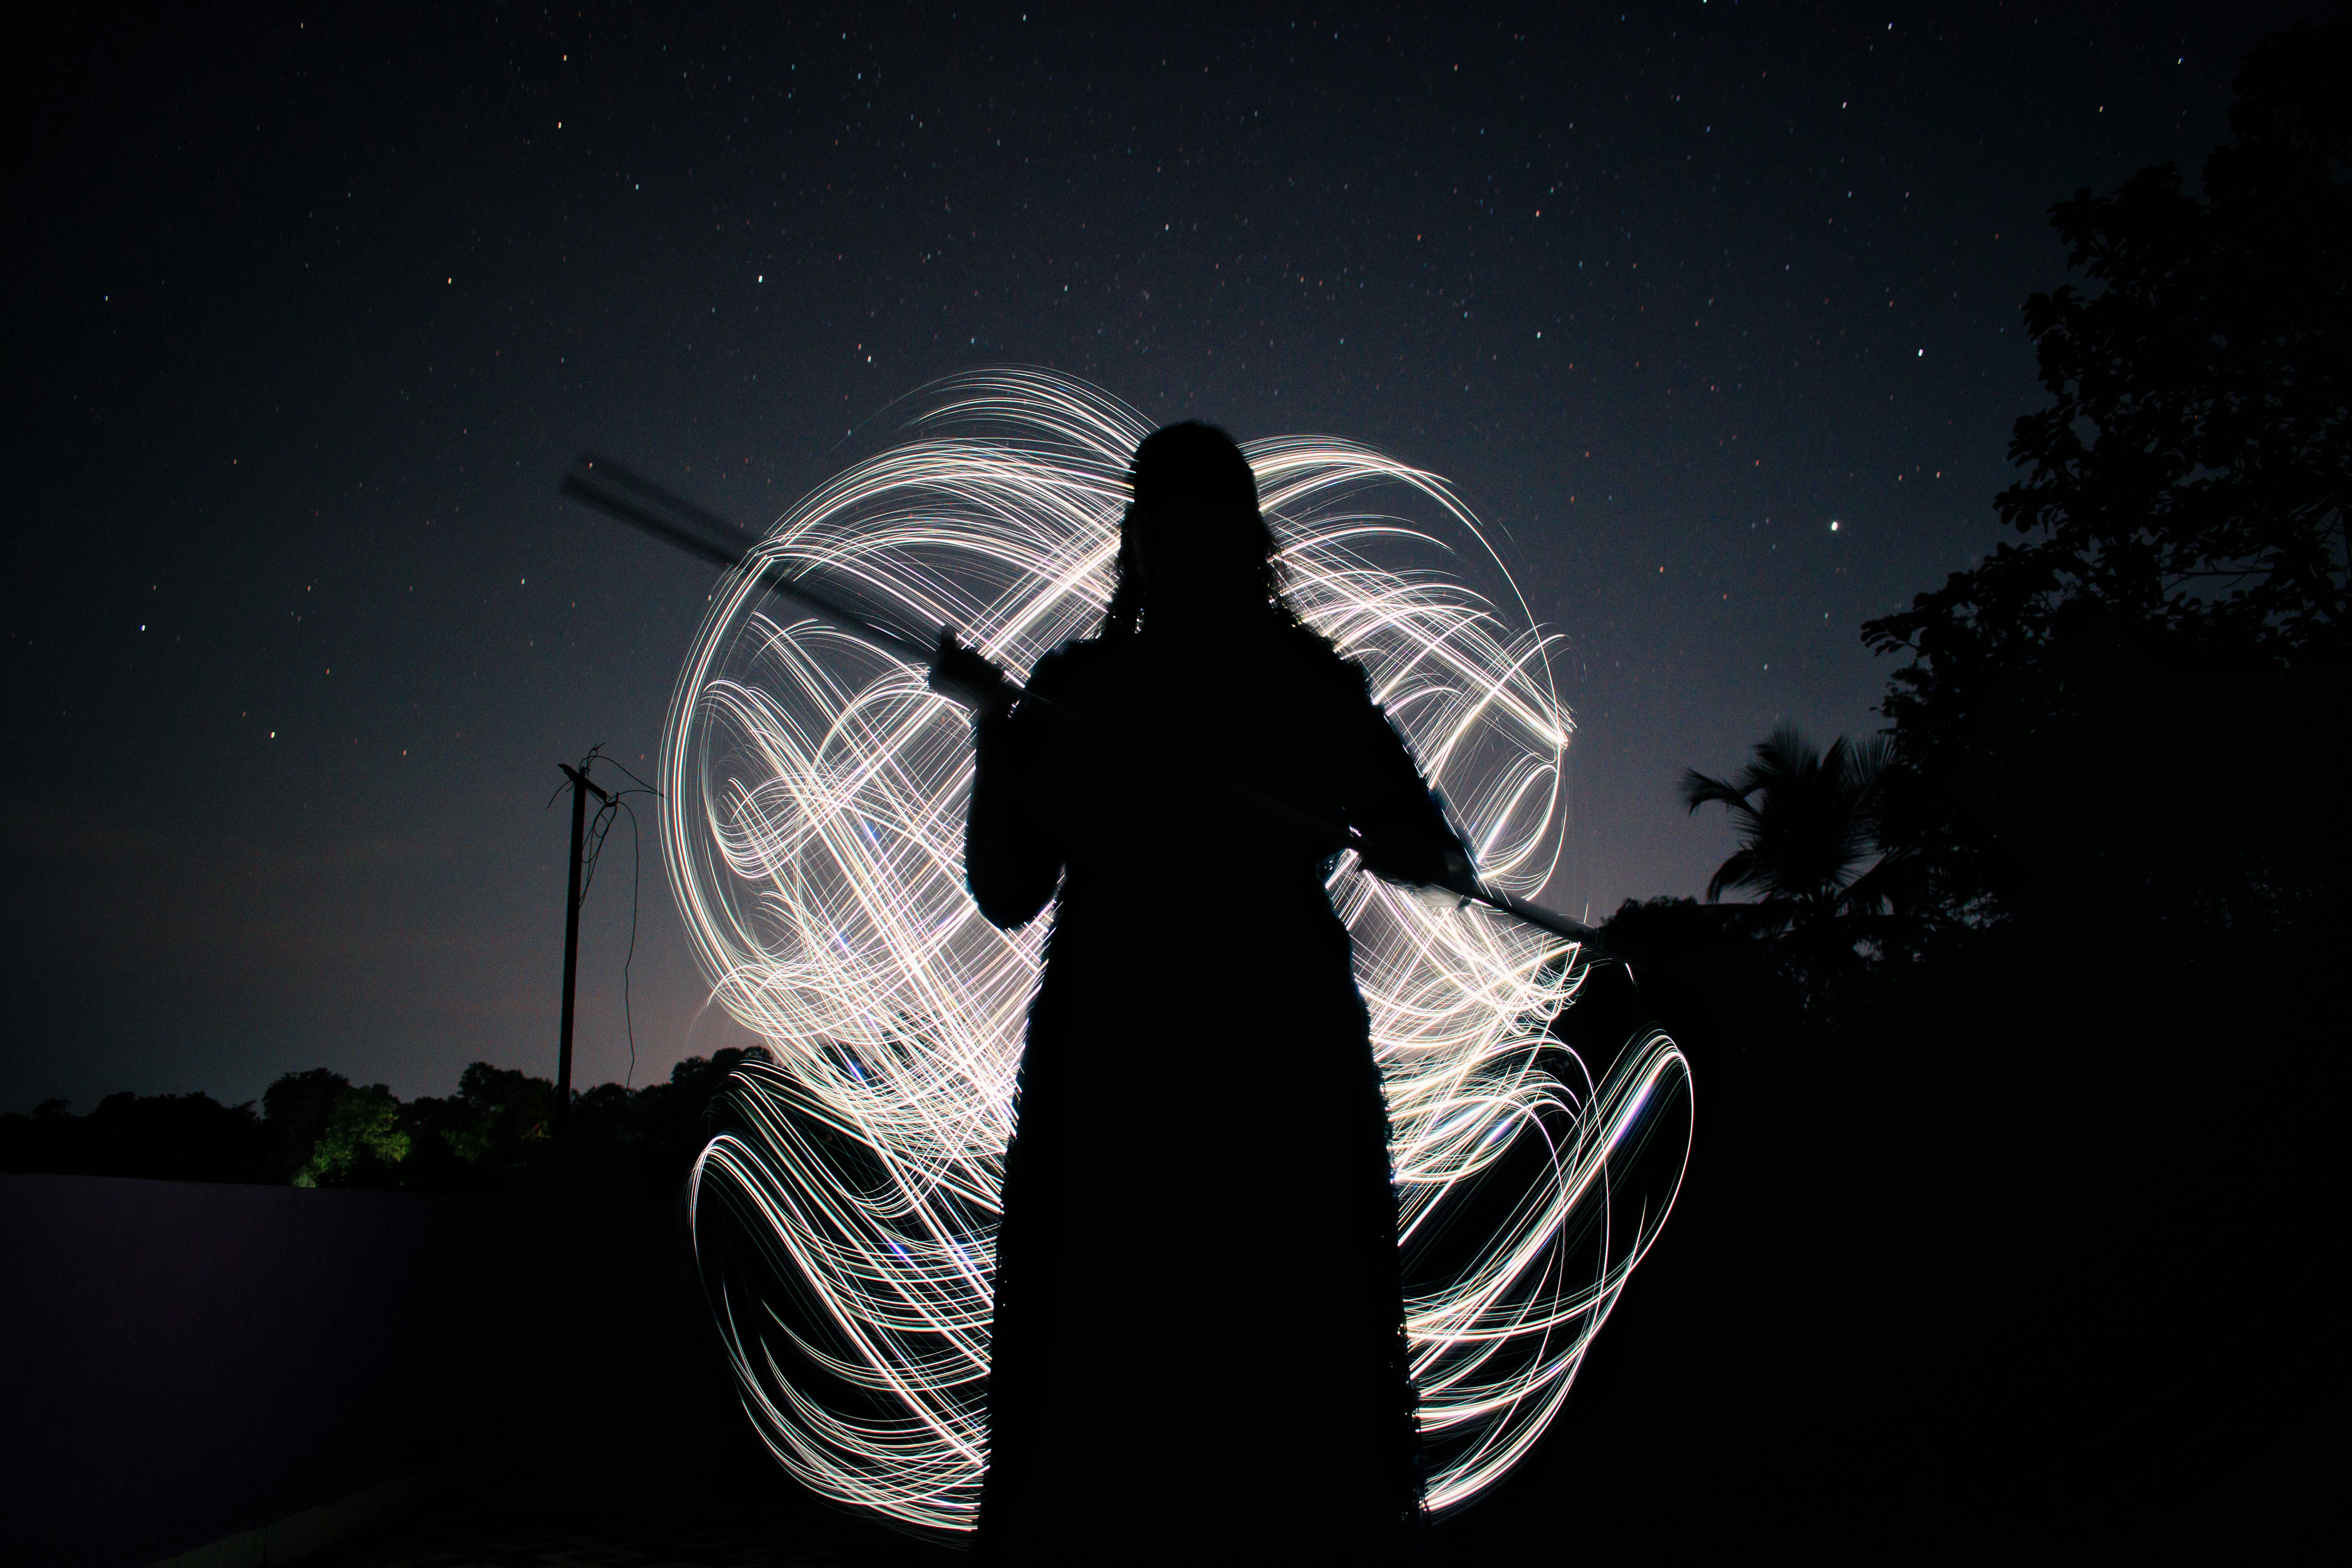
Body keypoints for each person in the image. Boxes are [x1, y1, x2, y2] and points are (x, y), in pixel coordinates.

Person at [956, 421, 1470, 1565]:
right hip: (1201, 1059)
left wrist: (999, 733)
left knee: (1200, 1363)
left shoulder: (1143, 688)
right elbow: (1011, 885)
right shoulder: (1233, 688)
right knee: (1220, 1363)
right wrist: (1003, 732)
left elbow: (1006, 887)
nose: (1176, 544)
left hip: (1187, 1064)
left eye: (1189, 521)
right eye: (1168, 522)